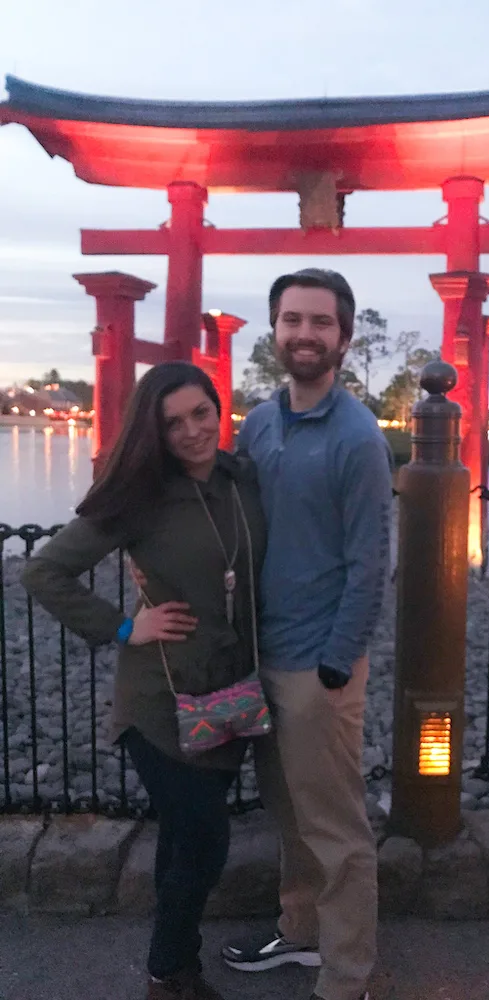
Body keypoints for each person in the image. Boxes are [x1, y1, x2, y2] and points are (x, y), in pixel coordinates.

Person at [21, 362, 266, 1000]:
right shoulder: (141, 498)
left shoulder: (244, 483)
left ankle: (177, 970)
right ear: (152, 433)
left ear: (221, 409)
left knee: (184, 840)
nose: (190, 431)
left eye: (200, 413)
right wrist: (124, 627)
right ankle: (168, 971)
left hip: (228, 695)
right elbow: (44, 573)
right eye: (172, 422)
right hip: (160, 703)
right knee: (207, 840)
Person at [222, 269, 393, 1000]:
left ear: (344, 340)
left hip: (316, 664)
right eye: (292, 320)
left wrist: (336, 662)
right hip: (261, 650)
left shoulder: (357, 439)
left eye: (320, 323)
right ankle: (299, 932)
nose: (304, 334)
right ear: (275, 331)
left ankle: (347, 975)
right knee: (287, 808)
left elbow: (369, 563)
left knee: (334, 825)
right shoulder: (260, 424)